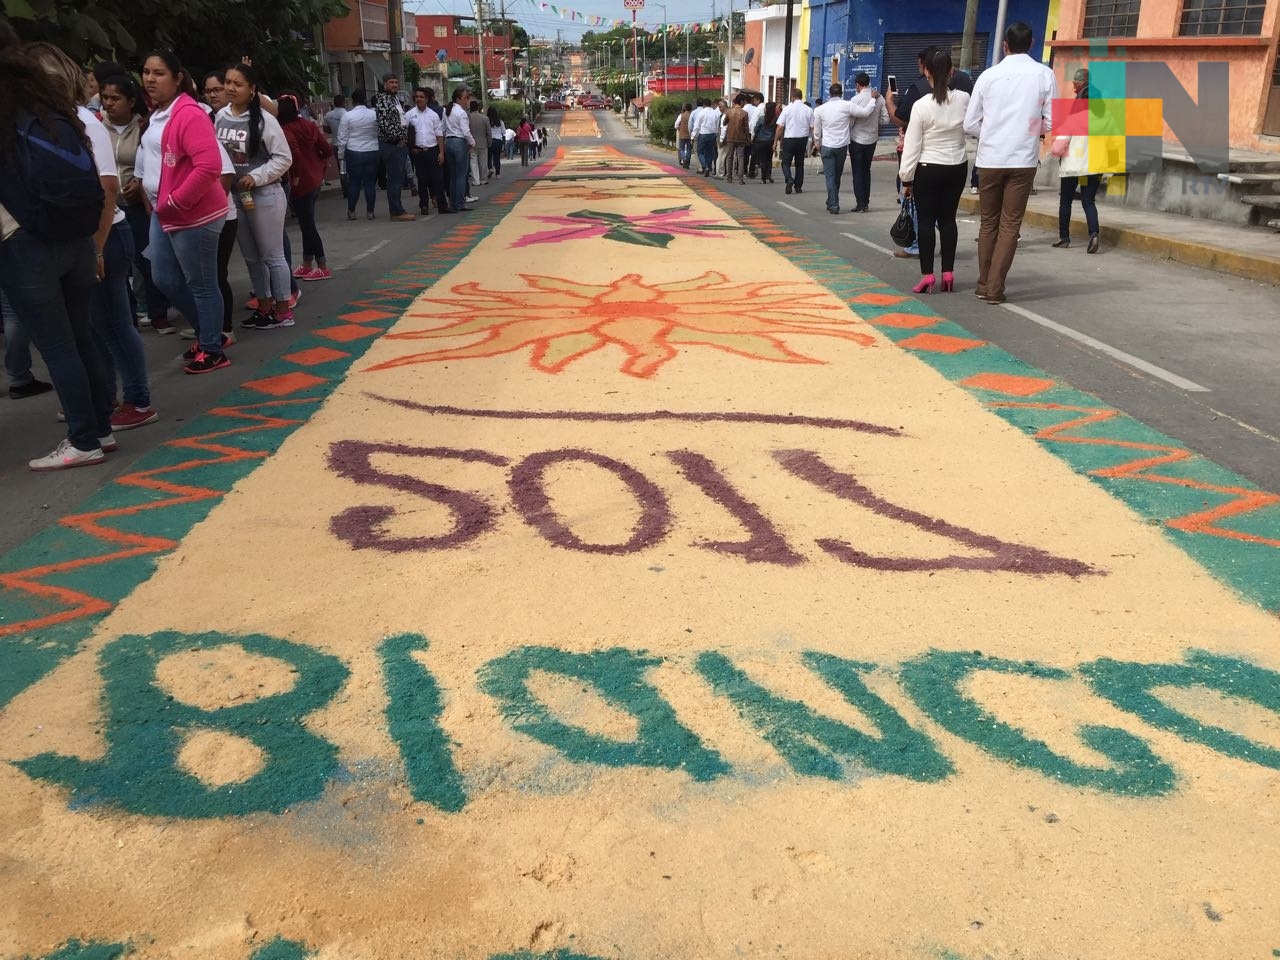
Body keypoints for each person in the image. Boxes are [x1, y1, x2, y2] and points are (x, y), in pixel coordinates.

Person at [28, 44, 158, 432]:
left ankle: (136, 399)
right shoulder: (64, 120)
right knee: (97, 327)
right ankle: (106, 397)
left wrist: (96, 248)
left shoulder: (82, 120)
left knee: (115, 325)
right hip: (91, 239)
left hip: (103, 236)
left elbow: (107, 188)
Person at [0, 29, 113, 468]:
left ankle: (83, 440)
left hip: (23, 244)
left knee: (57, 346)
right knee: (81, 334)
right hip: (76, 239)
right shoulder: (46, 103)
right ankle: (102, 428)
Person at [136, 50, 229, 374]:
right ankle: (209, 333)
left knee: (201, 283)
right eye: (146, 72)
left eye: (159, 73)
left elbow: (209, 166)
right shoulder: (157, 113)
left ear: (177, 79)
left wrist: (176, 201)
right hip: (164, 213)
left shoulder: (189, 114)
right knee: (164, 278)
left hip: (194, 214)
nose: (150, 79)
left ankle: (213, 347)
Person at [964, 21, 1055, 304]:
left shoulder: (989, 76)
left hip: (990, 158)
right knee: (1010, 225)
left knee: (988, 222)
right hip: (1023, 160)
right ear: (1031, 44)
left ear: (1005, 45)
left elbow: (970, 123)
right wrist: (1027, 132)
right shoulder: (1045, 74)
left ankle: (983, 283)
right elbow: (1051, 121)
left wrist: (991, 133)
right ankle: (995, 288)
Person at [215, 62, 294, 329]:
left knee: (272, 255)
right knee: (251, 256)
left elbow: (284, 158)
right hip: (235, 197)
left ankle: (283, 310)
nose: (230, 88)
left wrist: (256, 176)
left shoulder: (264, 120)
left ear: (252, 90)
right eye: (228, 82)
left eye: (238, 84)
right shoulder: (221, 116)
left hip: (265, 195)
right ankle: (263, 306)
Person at [100, 73, 169, 335]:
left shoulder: (144, 127)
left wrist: (139, 184)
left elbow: (151, 163)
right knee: (115, 265)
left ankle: (158, 313)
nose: (109, 103)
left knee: (148, 260)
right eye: (105, 98)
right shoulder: (96, 126)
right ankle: (127, 317)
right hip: (108, 208)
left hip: (136, 204)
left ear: (131, 101)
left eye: (115, 98)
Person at [899, 50, 971, 295]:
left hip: (928, 169)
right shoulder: (963, 99)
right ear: (951, 71)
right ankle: (948, 273)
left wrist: (906, 178)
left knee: (927, 221)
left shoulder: (921, 106)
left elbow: (912, 146)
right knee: (948, 219)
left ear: (926, 72)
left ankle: (928, 275)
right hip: (957, 167)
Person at [199, 70, 240, 341]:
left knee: (215, 272)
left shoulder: (226, 122)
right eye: (209, 90)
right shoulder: (206, 120)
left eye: (220, 88)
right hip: (194, 216)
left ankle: (223, 329)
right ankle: (206, 324)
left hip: (221, 212)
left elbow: (225, 174)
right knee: (200, 276)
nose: (213, 94)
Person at [278, 94, 332, 280]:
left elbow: (296, 156)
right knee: (305, 222)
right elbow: (326, 149)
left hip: (299, 182)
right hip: (315, 178)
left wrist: (296, 177)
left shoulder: (284, 130)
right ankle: (308, 263)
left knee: (307, 224)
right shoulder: (309, 125)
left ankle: (322, 265)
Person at [1051, 68, 1103, 254]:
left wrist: (1054, 151)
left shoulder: (1073, 119)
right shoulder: (1107, 119)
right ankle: (1094, 233)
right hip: (1095, 166)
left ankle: (1064, 237)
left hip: (1073, 167)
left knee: (1066, 201)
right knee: (1089, 201)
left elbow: (1057, 147)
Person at [812, 81, 880, 214]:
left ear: (829, 94)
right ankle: (832, 200)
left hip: (827, 146)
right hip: (842, 147)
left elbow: (816, 131)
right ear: (841, 94)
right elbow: (865, 113)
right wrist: (872, 99)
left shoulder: (820, 110)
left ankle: (833, 203)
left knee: (830, 176)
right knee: (836, 175)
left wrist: (817, 144)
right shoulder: (847, 105)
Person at [373, 74, 413, 221]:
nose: (394, 85)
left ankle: (397, 209)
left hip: (400, 144)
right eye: (391, 82)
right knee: (395, 179)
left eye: (396, 82)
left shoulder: (395, 99)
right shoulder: (383, 100)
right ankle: (396, 211)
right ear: (385, 85)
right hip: (392, 145)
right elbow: (384, 124)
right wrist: (398, 139)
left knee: (399, 177)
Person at [848, 72, 889, 212]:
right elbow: (886, 120)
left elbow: (851, 122)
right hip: (872, 140)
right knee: (866, 170)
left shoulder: (855, 100)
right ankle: (866, 202)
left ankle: (860, 203)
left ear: (858, 85)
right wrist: (874, 123)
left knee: (857, 172)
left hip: (856, 140)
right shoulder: (880, 98)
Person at [337, 89, 379, 220]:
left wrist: (341, 155)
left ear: (352, 101)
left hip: (354, 151)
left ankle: (351, 211)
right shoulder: (374, 114)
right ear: (365, 100)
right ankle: (370, 212)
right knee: (370, 183)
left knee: (354, 183)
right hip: (372, 150)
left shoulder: (347, 116)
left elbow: (342, 138)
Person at [405, 87, 447, 215]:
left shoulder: (433, 115)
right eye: (417, 97)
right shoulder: (409, 115)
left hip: (432, 150)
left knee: (438, 179)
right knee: (422, 180)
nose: (419, 99)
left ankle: (442, 205)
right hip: (418, 152)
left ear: (427, 99)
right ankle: (423, 205)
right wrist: (411, 148)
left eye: (421, 97)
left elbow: (439, 134)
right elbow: (405, 133)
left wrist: (441, 152)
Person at [442, 87, 475, 213]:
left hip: (449, 142)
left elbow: (443, 128)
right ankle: (460, 203)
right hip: (459, 141)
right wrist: (472, 142)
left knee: (453, 175)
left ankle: (453, 202)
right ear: (458, 99)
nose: (467, 100)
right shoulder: (462, 113)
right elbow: (466, 131)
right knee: (461, 175)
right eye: (466, 98)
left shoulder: (447, 111)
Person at [774, 87, 812, 195]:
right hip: (802, 139)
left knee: (786, 163)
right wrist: (815, 142)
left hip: (789, 139)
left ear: (792, 97)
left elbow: (780, 127)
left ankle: (789, 179)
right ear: (801, 97)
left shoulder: (787, 109)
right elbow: (812, 127)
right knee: (800, 164)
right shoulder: (808, 109)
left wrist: (775, 141)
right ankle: (798, 186)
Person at [722, 94, 751, 184]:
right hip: (741, 138)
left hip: (730, 137)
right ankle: (740, 178)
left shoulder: (729, 112)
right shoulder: (744, 113)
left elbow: (724, 123)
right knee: (740, 157)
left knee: (730, 157)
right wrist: (748, 137)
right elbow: (746, 128)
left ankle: (729, 177)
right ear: (741, 101)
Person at [751, 101, 778, 184]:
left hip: (761, 141)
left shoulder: (762, 118)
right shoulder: (776, 119)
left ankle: (763, 178)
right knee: (769, 159)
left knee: (762, 160)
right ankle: (768, 175)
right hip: (771, 141)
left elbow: (756, 129)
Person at [694, 97, 720, 177]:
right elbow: (717, 125)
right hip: (712, 134)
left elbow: (697, 126)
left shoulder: (701, 113)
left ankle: (705, 166)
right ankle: (708, 166)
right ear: (711, 104)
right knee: (709, 152)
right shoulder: (716, 113)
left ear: (704, 105)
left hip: (703, 134)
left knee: (700, 152)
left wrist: (693, 135)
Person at [487, 106, 504, 179]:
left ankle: (490, 168)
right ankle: (498, 174)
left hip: (489, 140)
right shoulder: (500, 121)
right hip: (498, 140)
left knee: (489, 157)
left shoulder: (486, 120)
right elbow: (503, 132)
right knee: (497, 157)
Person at [674, 102, 693, 169]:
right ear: (691, 109)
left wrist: (680, 130)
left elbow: (676, 125)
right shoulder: (692, 115)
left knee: (681, 148)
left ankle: (684, 158)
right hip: (690, 135)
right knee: (689, 149)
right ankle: (687, 160)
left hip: (682, 135)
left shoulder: (681, 115)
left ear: (685, 108)